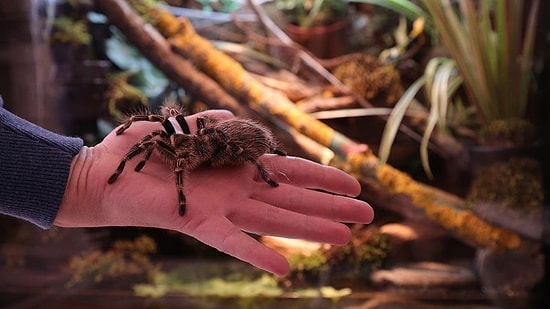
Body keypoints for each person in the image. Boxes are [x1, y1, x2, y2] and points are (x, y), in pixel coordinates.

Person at [0, 97, 374, 276]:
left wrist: (83, 174)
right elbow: (157, 132)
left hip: (235, 142)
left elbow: (242, 144)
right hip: (217, 142)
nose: (168, 147)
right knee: (157, 142)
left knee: (213, 147)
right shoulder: (175, 141)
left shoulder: (209, 145)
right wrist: (90, 175)